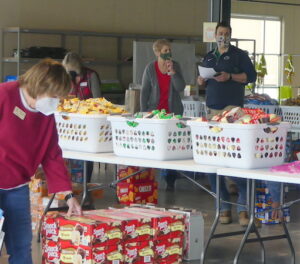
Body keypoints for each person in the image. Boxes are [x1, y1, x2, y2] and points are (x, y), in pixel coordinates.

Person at [0, 59, 82, 264]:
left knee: (21, 246)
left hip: (17, 185)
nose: (55, 103)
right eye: (54, 97)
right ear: (40, 86)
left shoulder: (45, 114)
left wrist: (68, 195)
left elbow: (52, 154)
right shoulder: (5, 94)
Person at [198, 21, 257, 226]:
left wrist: (230, 76)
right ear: (214, 35)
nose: (223, 36)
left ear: (230, 35)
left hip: (233, 112)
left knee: (235, 159)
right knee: (214, 161)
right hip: (212, 111)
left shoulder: (239, 55)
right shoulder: (209, 56)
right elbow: (203, 77)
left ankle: (243, 208)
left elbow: (251, 76)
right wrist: (201, 80)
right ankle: (223, 207)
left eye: (226, 33)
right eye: (220, 33)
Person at [140, 39, 186, 191]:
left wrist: (173, 73)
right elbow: (145, 91)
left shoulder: (175, 65)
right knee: (153, 145)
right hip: (155, 113)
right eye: (165, 51)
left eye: (169, 50)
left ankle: (170, 180)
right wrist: (144, 112)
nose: (168, 53)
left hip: (173, 112)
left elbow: (180, 87)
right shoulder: (150, 68)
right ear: (158, 52)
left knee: (171, 145)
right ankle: (148, 177)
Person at [62, 52, 102, 182]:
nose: (71, 73)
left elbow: (98, 100)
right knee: (71, 156)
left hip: (88, 123)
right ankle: (72, 183)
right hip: (70, 124)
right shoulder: (66, 78)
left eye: (73, 70)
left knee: (85, 156)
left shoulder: (91, 76)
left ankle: (85, 182)